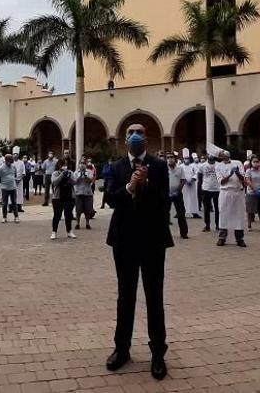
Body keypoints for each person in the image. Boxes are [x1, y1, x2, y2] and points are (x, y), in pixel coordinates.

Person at [105, 123, 171, 380]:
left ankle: (157, 353)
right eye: (131, 132)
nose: (136, 135)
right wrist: (131, 187)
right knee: (126, 295)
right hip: (124, 240)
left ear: (147, 138)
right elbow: (111, 199)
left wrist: (148, 183)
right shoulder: (116, 166)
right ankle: (122, 349)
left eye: (140, 132)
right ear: (124, 140)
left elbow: (165, 200)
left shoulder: (159, 166)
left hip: (153, 240)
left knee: (154, 296)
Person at [215, 150, 247, 247]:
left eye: (225, 155)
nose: (223, 156)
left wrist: (237, 173)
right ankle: (222, 237)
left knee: (239, 215)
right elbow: (222, 182)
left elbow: (243, 179)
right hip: (225, 192)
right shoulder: (218, 166)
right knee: (224, 214)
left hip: (237, 192)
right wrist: (230, 174)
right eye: (222, 155)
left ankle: (240, 238)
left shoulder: (237, 163)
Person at [50, 159, 77, 239]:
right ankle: (54, 232)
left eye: (65, 164)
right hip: (58, 197)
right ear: (58, 165)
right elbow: (54, 182)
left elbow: (75, 182)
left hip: (69, 196)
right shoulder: (55, 173)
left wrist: (68, 177)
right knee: (57, 215)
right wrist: (62, 174)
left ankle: (69, 231)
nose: (63, 166)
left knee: (68, 215)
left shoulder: (70, 173)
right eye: (62, 165)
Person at [166, 152, 189, 239]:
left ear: (175, 158)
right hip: (167, 193)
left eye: (171, 157)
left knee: (181, 213)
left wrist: (177, 191)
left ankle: (184, 233)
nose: (170, 159)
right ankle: (164, 233)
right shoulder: (164, 168)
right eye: (168, 157)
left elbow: (183, 180)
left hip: (177, 194)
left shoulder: (180, 168)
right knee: (164, 213)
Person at [245, 157, 260, 231]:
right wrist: (255, 190)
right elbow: (248, 181)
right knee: (250, 210)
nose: (256, 162)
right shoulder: (249, 171)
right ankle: (249, 225)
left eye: (257, 161)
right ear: (251, 162)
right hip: (251, 193)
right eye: (254, 161)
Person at [198, 154, 220, 232]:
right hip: (206, 188)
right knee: (206, 209)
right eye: (210, 160)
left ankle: (218, 225)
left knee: (218, 208)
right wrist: (200, 189)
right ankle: (207, 225)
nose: (211, 161)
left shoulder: (219, 165)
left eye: (213, 160)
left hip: (217, 189)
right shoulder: (202, 165)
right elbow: (200, 178)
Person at [0, 154, 20, 223]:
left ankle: (16, 217)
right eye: (9, 161)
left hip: (13, 187)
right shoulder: (1, 168)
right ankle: (4, 217)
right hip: (5, 188)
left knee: (14, 203)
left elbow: (15, 175)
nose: (10, 163)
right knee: (4, 203)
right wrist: (4, 183)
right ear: (6, 161)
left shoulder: (13, 167)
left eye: (11, 162)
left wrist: (11, 180)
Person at [73, 158, 95, 230]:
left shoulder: (89, 172)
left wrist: (85, 176)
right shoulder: (76, 172)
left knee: (87, 210)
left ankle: (87, 223)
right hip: (78, 193)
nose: (82, 165)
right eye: (81, 163)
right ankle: (77, 223)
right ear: (79, 164)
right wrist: (80, 177)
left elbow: (91, 180)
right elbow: (74, 182)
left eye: (83, 163)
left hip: (87, 193)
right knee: (78, 210)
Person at [181, 149, 201, 218]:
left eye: (187, 158)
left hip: (192, 184)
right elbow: (180, 175)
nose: (186, 160)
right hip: (184, 185)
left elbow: (196, 173)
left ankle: (194, 212)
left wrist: (192, 179)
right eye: (185, 158)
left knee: (193, 198)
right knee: (184, 198)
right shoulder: (181, 166)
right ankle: (182, 212)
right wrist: (185, 181)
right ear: (183, 159)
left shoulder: (193, 166)